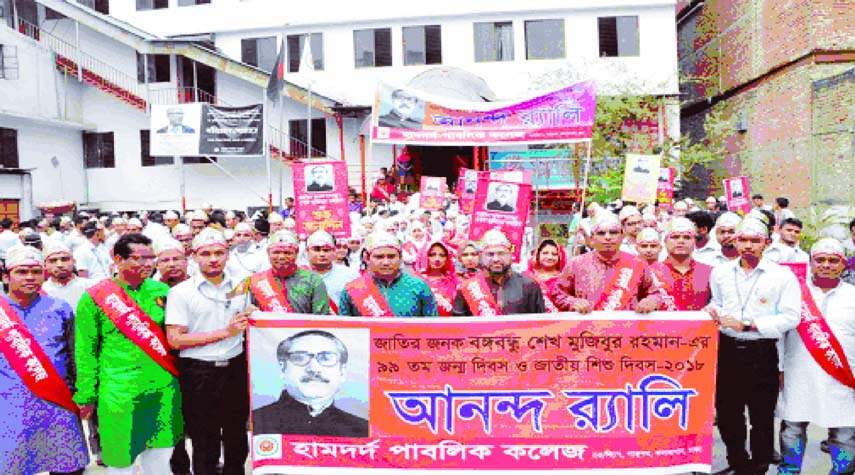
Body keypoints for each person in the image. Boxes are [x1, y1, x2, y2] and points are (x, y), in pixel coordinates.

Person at [74, 233, 183, 474]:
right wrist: (86, 393)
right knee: (120, 460)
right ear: (117, 259)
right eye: (138, 259)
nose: (147, 264)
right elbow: (85, 350)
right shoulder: (95, 297)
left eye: (150, 258)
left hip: (162, 388)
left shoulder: (162, 291)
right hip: (118, 393)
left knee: (161, 458)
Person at [706, 218, 801, 475]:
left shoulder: (782, 276)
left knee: (761, 416)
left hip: (761, 351)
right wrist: (713, 311)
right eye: (742, 240)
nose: (748, 246)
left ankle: (759, 465)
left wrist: (748, 325)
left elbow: (792, 317)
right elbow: (717, 301)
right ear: (734, 241)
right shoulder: (720, 272)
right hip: (727, 350)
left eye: (755, 240)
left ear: (767, 243)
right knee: (728, 414)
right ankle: (738, 461)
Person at [165, 228, 255, 475]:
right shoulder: (181, 292)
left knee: (237, 435)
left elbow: (247, 319)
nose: (213, 259)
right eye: (206, 253)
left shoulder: (241, 285)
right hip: (199, 372)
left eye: (219, 253)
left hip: (235, 368)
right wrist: (225, 332)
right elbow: (175, 339)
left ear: (227, 254)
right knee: (205, 438)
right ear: (194, 256)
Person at [0, 246, 90, 475]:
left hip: (57, 401)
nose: (30, 277)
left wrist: (84, 394)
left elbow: (74, 355)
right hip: (10, 404)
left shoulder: (59, 308)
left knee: (67, 465)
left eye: (36, 271)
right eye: (22, 271)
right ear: (6, 275)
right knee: (13, 464)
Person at [776, 238, 855, 475]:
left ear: (843, 265)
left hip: (842, 376)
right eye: (820, 260)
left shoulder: (853, 295)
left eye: (833, 261)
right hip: (798, 372)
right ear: (811, 263)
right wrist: (778, 368)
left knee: (844, 431)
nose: (826, 265)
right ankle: (789, 471)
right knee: (792, 428)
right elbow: (780, 336)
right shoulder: (794, 293)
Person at [253, 330, 369, 436]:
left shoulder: (362, 429)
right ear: (283, 369)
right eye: (300, 358)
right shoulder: (257, 422)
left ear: (342, 372)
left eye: (326, 358)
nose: (314, 368)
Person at [551, 211, 663, 314]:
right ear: (592, 238)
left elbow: (654, 294)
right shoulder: (576, 264)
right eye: (601, 233)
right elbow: (558, 294)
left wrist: (650, 302)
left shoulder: (638, 263)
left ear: (622, 236)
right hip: (587, 331)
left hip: (627, 330)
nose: (608, 237)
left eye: (613, 232)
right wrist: (573, 303)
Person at [339, 233, 437, 317]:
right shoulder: (352, 289)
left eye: (391, 256)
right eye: (379, 257)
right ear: (367, 258)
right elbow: (342, 331)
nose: (386, 262)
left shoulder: (419, 286)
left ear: (400, 258)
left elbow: (433, 329)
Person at [453, 229, 545, 316]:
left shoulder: (529, 285)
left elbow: (539, 323)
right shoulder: (468, 288)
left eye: (501, 253)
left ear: (510, 254)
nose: (496, 259)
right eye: (490, 254)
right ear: (481, 256)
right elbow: (459, 327)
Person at [248, 230, 330, 314]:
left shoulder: (313, 280)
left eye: (287, 253)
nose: (282, 257)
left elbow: (322, 318)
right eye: (276, 252)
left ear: (296, 254)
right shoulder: (257, 281)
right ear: (268, 253)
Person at [648, 218, 712, 311]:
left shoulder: (709, 272)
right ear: (665, 241)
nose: (681, 241)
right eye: (675, 237)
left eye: (687, 237)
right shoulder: (650, 272)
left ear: (694, 242)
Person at [305, 230, 358, 314]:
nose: (322, 254)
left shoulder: (351, 275)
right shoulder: (298, 276)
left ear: (334, 251)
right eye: (317, 250)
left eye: (326, 250)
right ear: (307, 251)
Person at [524, 238, 566, 313]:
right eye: (545, 253)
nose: (549, 257)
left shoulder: (565, 278)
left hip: (559, 321)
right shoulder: (526, 276)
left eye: (554, 254)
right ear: (538, 255)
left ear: (560, 257)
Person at [419, 240, 459, 316]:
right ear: (425, 256)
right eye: (432, 255)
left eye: (442, 255)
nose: (437, 259)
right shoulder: (416, 281)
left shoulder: (454, 281)